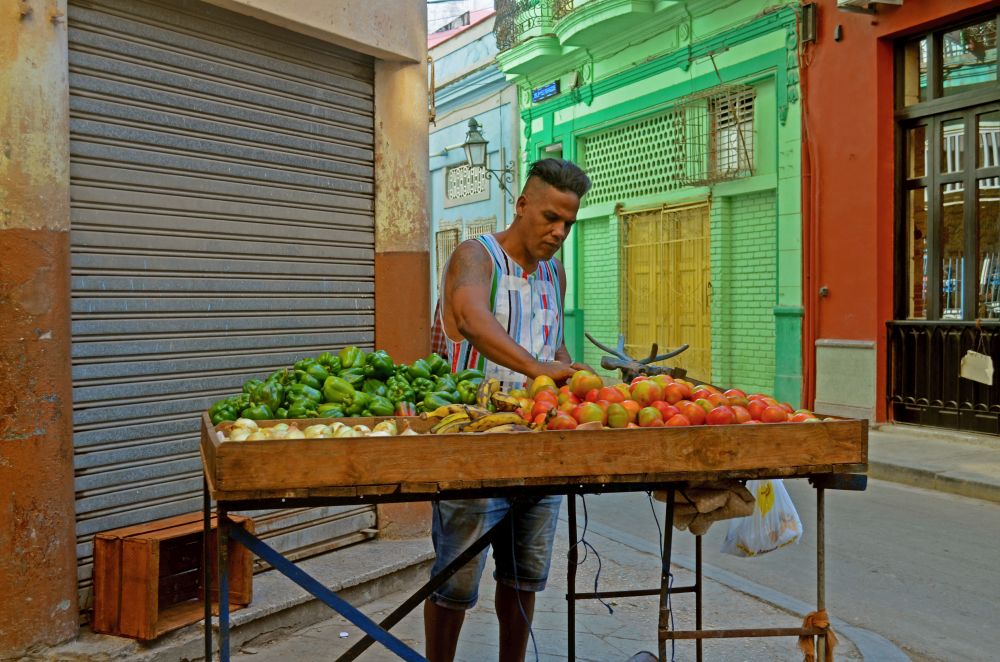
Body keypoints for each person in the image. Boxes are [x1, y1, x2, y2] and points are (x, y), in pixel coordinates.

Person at [424, 158, 593, 661]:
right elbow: (472, 319)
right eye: (550, 218)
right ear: (521, 206)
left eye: (568, 223)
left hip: (538, 446)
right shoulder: (475, 257)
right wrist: (538, 366)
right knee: (455, 582)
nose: (559, 232)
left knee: (525, 578)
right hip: (472, 448)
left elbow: (553, 345)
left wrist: (569, 372)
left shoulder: (554, 274)